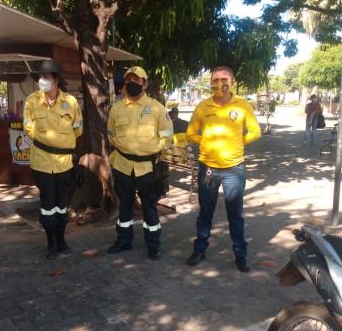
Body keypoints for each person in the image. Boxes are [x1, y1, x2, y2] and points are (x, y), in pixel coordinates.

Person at [185, 65, 261, 272]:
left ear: (233, 82)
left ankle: (240, 254)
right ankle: (200, 249)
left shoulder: (243, 105)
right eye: (216, 80)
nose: (220, 83)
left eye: (224, 79)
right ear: (211, 83)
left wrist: (239, 142)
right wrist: (205, 141)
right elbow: (191, 134)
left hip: (234, 170)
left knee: (235, 214)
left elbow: (256, 131)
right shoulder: (202, 107)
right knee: (205, 212)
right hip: (208, 168)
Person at [107, 66, 173, 260]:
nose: (132, 83)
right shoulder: (116, 108)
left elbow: (166, 138)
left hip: (148, 167)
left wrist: (153, 155)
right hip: (123, 165)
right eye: (128, 80)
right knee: (125, 205)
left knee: (149, 206)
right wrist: (123, 146)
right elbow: (111, 133)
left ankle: (153, 245)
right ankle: (123, 241)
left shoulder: (157, 108)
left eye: (137, 80)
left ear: (144, 84)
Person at [23, 60, 83, 259]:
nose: (42, 81)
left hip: (64, 163)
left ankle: (62, 240)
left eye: (46, 77)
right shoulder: (31, 101)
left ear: (56, 79)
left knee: (62, 203)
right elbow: (29, 128)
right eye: (41, 78)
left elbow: (78, 128)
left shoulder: (71, 102)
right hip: (41, 162)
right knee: (47, 204)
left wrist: (62, 142)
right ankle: (51, 244)